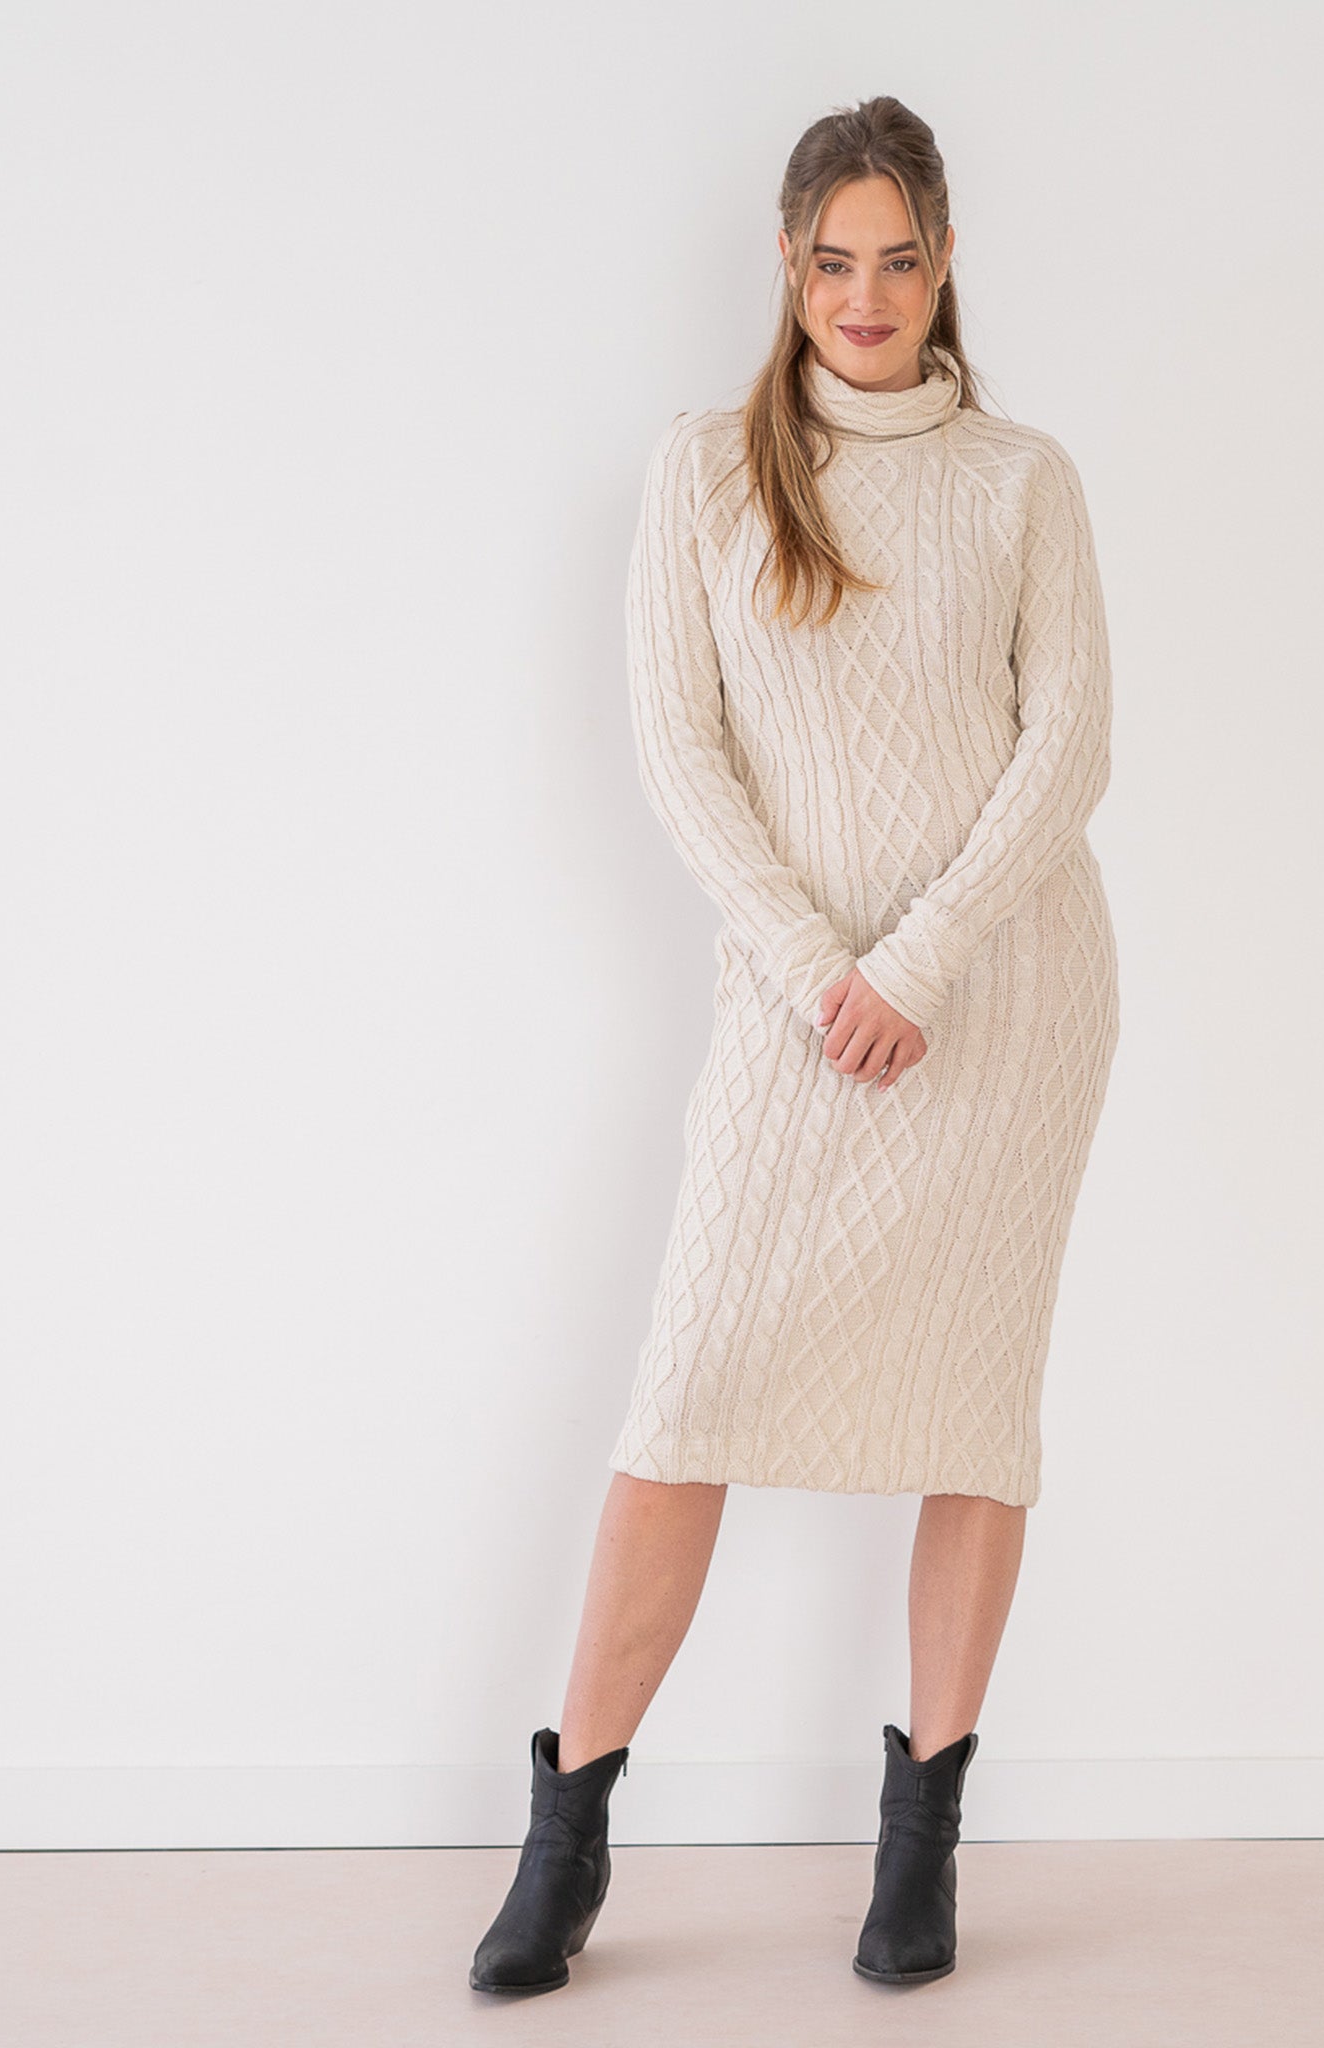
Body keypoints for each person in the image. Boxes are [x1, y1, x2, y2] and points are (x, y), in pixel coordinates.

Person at [470, 93, 1121, 1997]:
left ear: (946, 263)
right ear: (786, 262)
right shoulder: (704, 472)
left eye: (899, 261)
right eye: (834, 262)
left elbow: (1068, 751)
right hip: (797, 1014)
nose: (866, 297)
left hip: (1006, 1004)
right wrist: (820, 968)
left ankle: (919, 1850)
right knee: (688, 1401)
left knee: (974, 1410)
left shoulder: (1022, 480)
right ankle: (566, 1840)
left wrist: (916, 965)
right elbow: (681, 757)